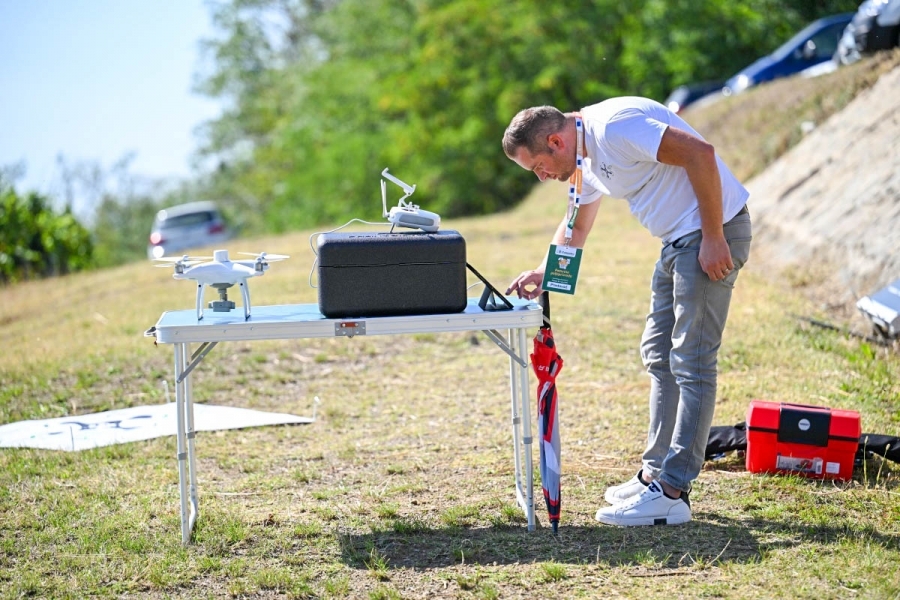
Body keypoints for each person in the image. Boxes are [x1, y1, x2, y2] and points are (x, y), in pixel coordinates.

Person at [502, 97, 752, 526]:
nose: (542, 178)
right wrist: (546, 273)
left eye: (538, 167)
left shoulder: (613, 129)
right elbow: (577, 225)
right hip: (677, 243)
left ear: (555, 141)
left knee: (692, 362)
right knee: (658, 353)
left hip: (709, 236)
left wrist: (713, 236)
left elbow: (700, 153)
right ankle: (655, 473)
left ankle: (673, 492)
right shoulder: (584, 156)